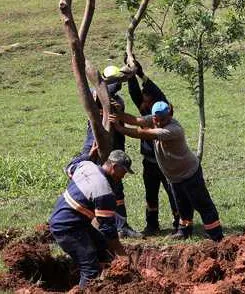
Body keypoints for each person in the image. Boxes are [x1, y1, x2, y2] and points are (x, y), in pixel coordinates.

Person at [110, 101, 224, 241]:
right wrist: (118, 114)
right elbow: (135, 120)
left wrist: (120, 129)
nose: (158, 123)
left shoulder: (173, 130)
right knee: (182, 206)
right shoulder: (154, 120)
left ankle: (216, 235)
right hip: (174, 177)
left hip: (189, 173)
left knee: (202, 204)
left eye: (162, 119)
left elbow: (143, 134)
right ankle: (184, 231)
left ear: (169, 116)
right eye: (156, 120)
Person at [65, 79, 142, 239]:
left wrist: (117, 110)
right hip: (94, 144)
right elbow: (97, 91)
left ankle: (121, 226)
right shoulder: (95, 100)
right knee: (86, 181)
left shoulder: (117, 101)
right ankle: (80, 222)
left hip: (113, 145)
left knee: (116, 186)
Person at [49, 150, 133, 289]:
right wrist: (122, 255)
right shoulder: (104, 191)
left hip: (71, 220)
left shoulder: (86, 165)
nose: (123, 176)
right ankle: (86, 288)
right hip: (67, 228)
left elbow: (71, 166)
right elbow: (108, 230)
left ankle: (107, 284)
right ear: (114, 167)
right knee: (90, 268)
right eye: (123, 172)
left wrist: (89, 154)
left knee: (102, 248)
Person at [126, 59, 181, 236]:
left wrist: (141, 74)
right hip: (149, 161)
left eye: (145, 97)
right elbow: (134, 92)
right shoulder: (145, 112)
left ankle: (179, 223)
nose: (142, 99)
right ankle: (152, 224)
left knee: (172, 192)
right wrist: (131, 74)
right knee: (151, 193)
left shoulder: (162, 110)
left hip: (165, 162)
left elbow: (154, 90)